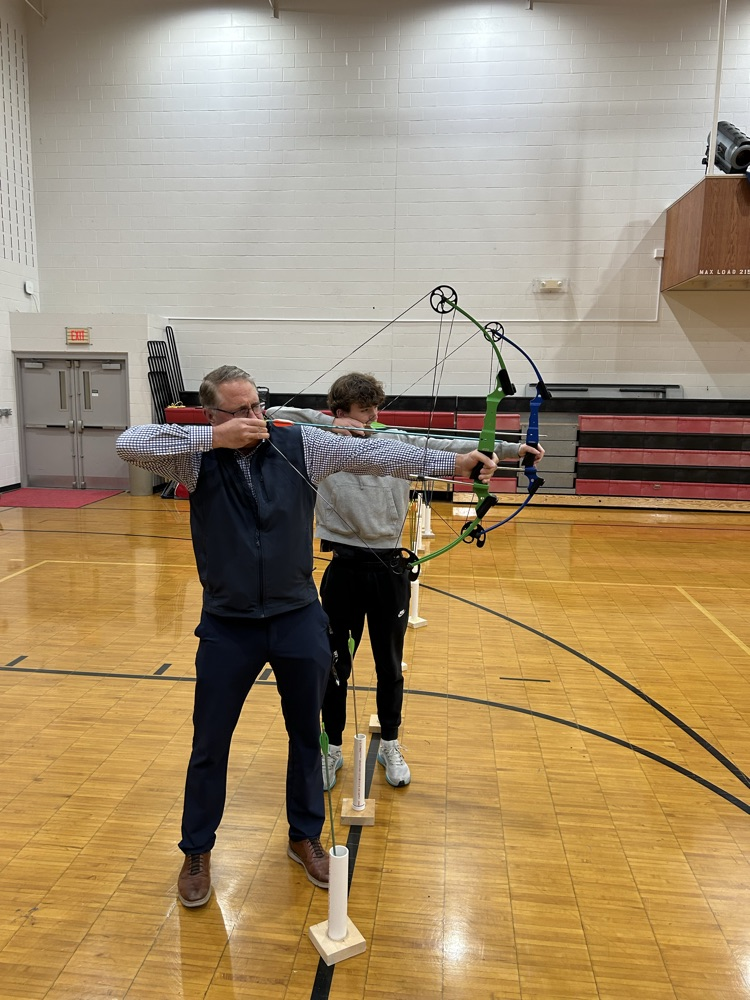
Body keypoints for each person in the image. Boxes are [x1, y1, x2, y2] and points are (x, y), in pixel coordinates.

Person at [115, 365, 498, 908]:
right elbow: (127, 442)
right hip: (229, 624)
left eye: (257, 406)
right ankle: (196, 850)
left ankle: (303, 836)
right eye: (239, 411)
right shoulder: (193, 454)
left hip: (297, 617)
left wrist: (456, 464)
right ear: (212, 414)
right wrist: (216, 439)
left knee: (305, 735)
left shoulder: (302, 445)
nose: (255, 418)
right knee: (210, 744)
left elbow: (380, 453)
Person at [270, 373, 544, 789]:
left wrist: (513, 449)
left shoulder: (395, 441)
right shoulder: (319, 443)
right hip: (342, 569)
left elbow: (453, 446)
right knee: (333, 666)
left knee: (389, 667)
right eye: (365, 411)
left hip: (389, 571)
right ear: (341, 411)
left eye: (376, 409)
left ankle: (391, 744)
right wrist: (331, 424)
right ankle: (332, 748)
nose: (375, 417)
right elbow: (273, 414)